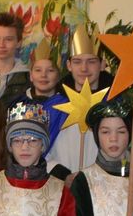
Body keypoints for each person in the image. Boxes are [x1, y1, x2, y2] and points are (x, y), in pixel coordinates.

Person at [45, 27, 114, 183]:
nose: (84, 68)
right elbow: (40, 150)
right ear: (69, 65)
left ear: (102, 65)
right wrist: (64, 175)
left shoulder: (113, 107)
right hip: (61, 188)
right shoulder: (53, 107)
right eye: (77, 62)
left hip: (101, 188)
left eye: (91, 61)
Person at [15, 37, 60, 105]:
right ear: (31, 75)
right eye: (38, 70)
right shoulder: (19, 104)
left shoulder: (68, 105)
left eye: (50, 70)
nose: (43, 75)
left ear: (58, 76)